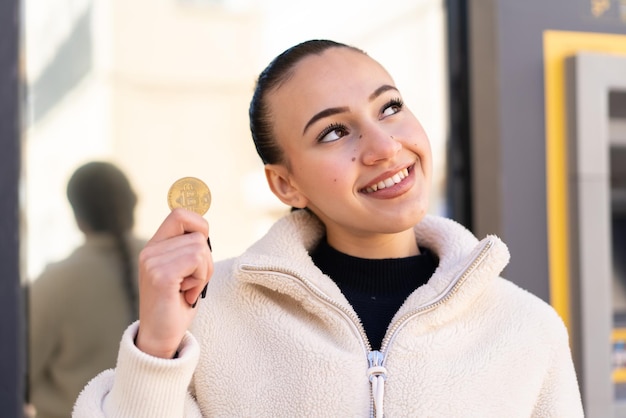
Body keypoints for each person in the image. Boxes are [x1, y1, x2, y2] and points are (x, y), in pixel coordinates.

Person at [73, 40, 584, 417]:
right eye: (334, 131)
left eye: (390, 107)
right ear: (285, 184)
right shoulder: (210, 318)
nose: (385, 146)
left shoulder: (527, 328)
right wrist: (158, 348)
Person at [29, 161, 146, 418]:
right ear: (134, 202)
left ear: (79, 218)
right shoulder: (168, 267)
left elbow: (16, 375)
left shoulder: (53, 283)